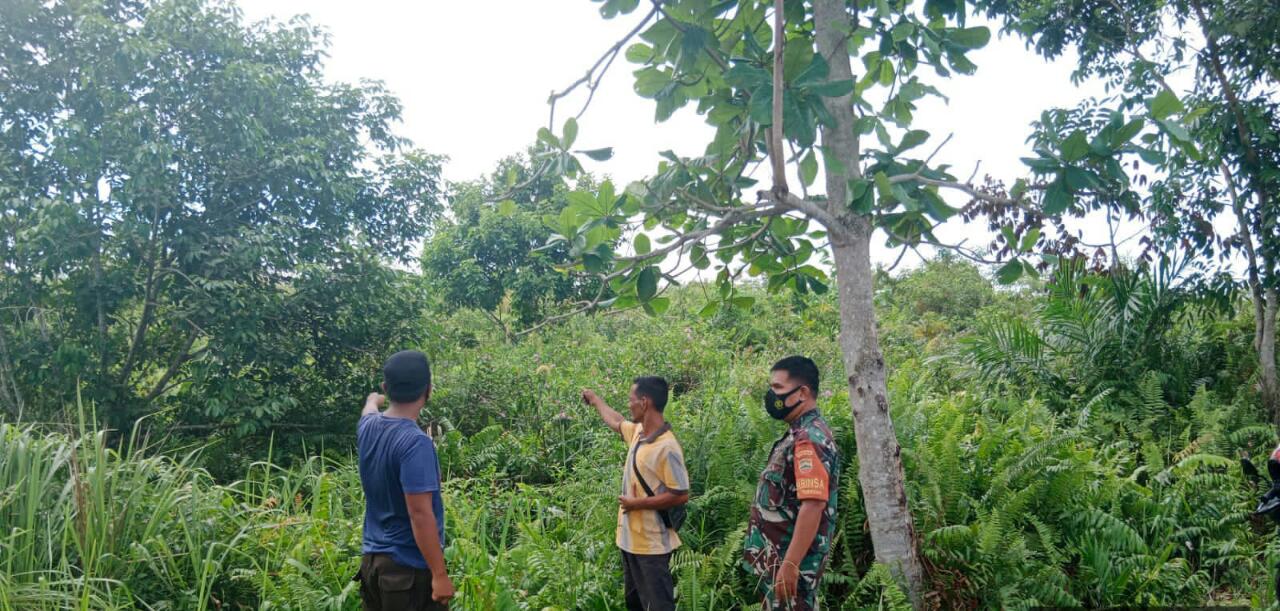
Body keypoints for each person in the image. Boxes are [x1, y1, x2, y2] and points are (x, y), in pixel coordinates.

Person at [356, 350, 454, 610]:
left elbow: (368, 410)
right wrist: (440, 575)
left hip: (373, 566)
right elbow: (419, 514)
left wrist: (372, 399)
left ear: (386, 388)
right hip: (407, 572)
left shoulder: (367, 427)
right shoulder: (416, 443)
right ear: (429, 390)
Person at [582, 377, 690, 611]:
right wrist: (595, 400)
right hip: (629, 541)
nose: (628, 404)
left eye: (631, 400)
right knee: (635, 604)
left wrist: (637, 504)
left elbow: (681, 494)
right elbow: (617, 421)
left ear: (644, 402)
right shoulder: (639, 433)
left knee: (659, 606)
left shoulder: (667, 447)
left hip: (651, 546)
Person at [743, 356, 840, 610]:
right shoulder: (797, 434)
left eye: (778, 388)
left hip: (791, 565)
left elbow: (813, 504)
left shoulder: (809, 439)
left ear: (802, 393)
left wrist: (790, 564)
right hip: (777, 560)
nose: (771, 395)